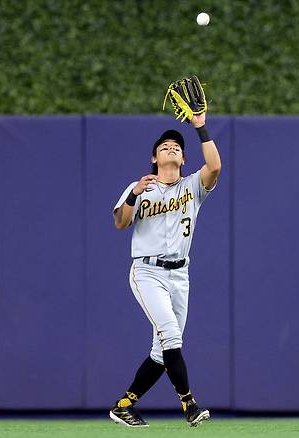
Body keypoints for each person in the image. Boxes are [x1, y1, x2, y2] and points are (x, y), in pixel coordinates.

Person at [109, 112, 221, 427]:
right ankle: (189, 404)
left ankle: (123, 405)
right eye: (165, 146)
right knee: (171, 335)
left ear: (184, 158)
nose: (170, 148)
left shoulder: (193, 187)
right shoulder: (139, 187)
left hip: (180, 275)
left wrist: (200, 127)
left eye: (176, 146)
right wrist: (134, 194)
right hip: (147, 272)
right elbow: (120, 223)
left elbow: (215, 167)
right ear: (154, 157)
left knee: (163, 351)